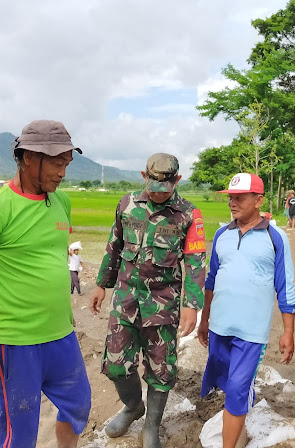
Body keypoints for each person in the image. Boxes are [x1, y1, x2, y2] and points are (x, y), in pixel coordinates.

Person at [0, 120, 91, 448]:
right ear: (28, 157)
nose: (62, 173)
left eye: (67, 164)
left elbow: (50, 260)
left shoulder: (62, 202)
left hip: (61, 336)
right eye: (57, 162)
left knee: (78, 406)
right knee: (17, 433)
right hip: (16, 344)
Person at [89, 153, 206, 448]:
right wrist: (102, 284)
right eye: (152, 185)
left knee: (161, 369)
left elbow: (195, 263)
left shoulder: (189, 215)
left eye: (164, 187)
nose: (157, 193)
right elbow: (114, 246)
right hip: (125, 300)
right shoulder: (127, 204)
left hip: (163, 304)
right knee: (115, 365)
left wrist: (192, 306)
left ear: (177, 181)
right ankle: (132, 406)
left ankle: (152, 425)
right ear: (144, 175)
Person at [199, 173, 295, 448]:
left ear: (258, 200)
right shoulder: (222, 235)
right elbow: (211, 280)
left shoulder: (275, 238)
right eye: (230, 197)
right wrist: (204, 320)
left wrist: (288, 332)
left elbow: (286, 288)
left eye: (239, 198)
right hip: (220, 326)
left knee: (239, 388)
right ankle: (239, 421)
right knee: (226, 384)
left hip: (251, 333)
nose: (233, 202)